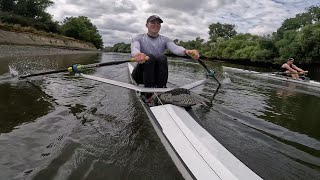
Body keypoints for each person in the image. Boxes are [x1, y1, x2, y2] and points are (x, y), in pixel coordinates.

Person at [130, 15, 200, 90]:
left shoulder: (165, 40)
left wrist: (187, 51)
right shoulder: (138, 37)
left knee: (162, 58)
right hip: (140, 75)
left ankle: (161, 89)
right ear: (146, 25)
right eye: (153, 22)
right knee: (150, 57)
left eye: (158, 23)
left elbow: (176, 48)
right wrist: (138, 54)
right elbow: (135, 48)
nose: (156, 25)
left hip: (155, 76)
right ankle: (148, 93)